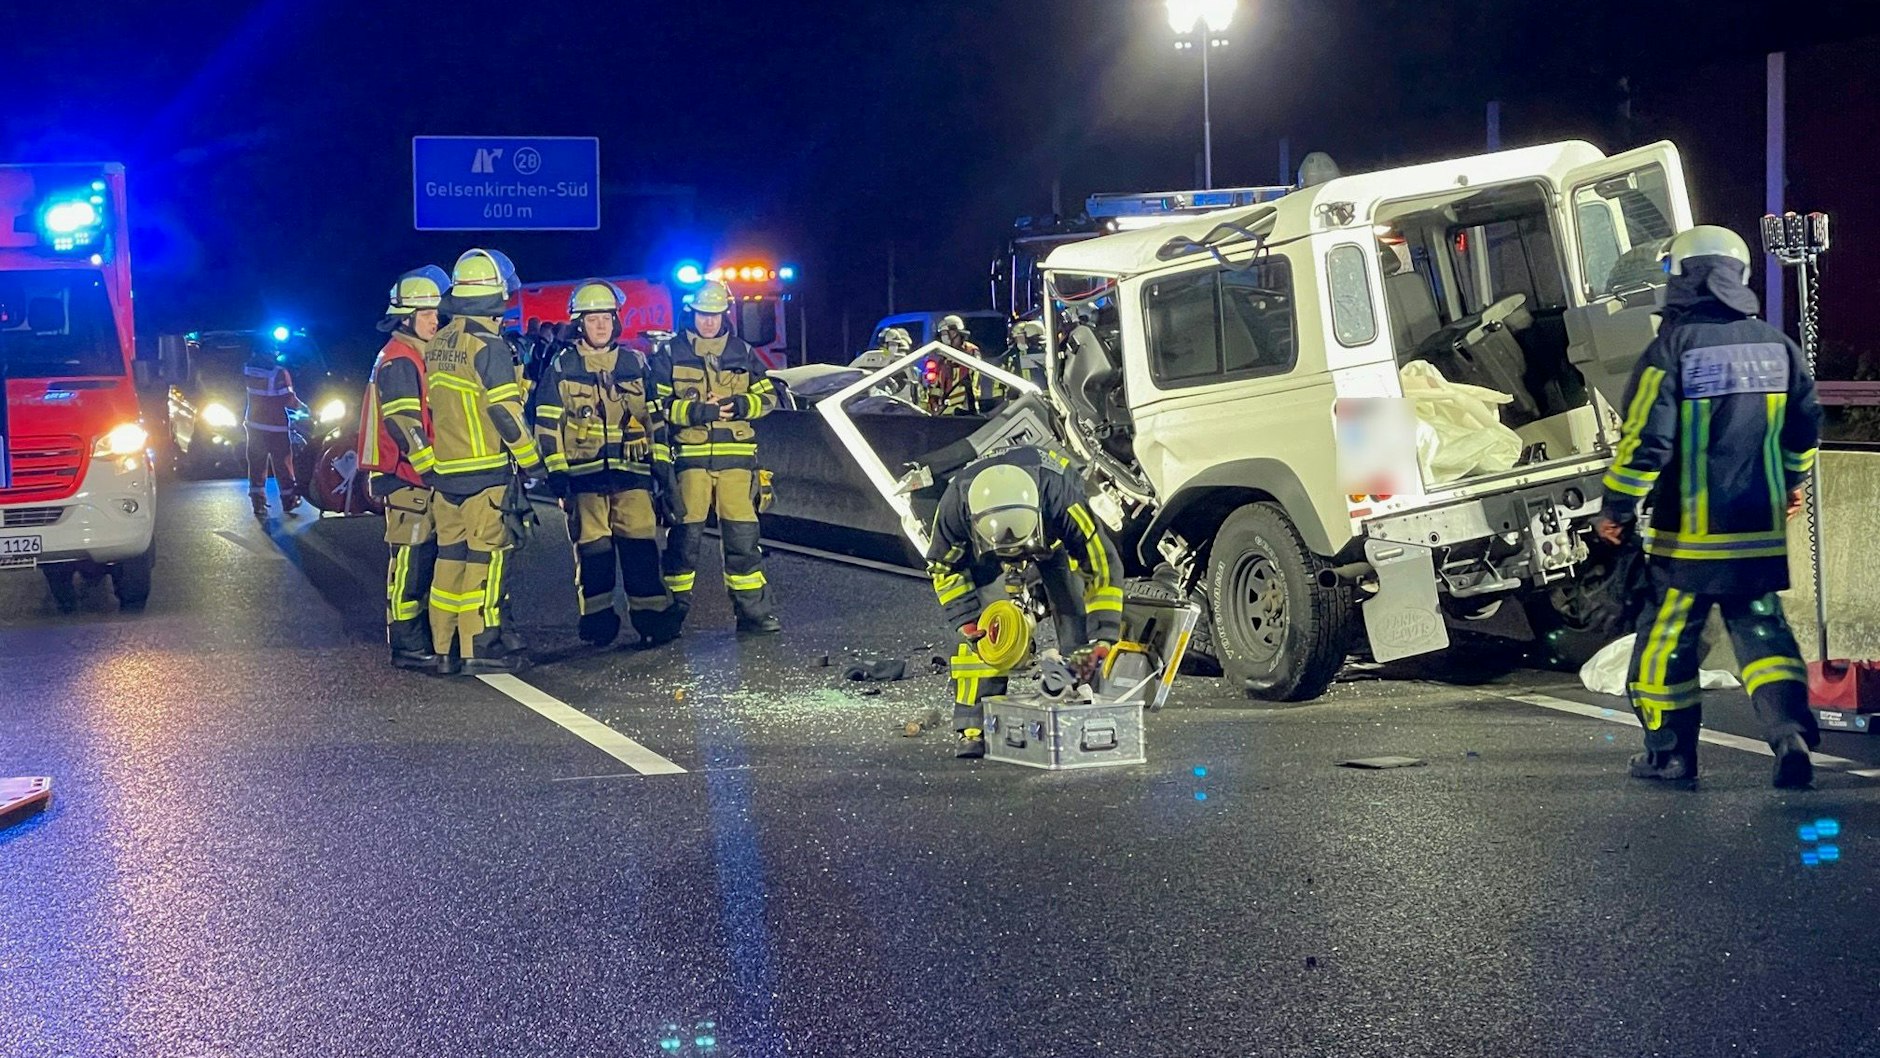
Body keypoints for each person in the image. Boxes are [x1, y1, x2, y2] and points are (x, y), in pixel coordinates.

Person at [1595, 224, 1823, 788]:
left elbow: (1646, 443)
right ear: (1738, 276)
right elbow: (1805, 430)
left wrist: (1617, 509)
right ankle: (1790, 736)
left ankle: (1668, 755)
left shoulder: (1670, 349)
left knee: (1666, 644)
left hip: (1688, 539)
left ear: (1681, 277)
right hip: (1759, 532)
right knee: (1764, 633)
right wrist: (1791, 484)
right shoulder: (1778, 346)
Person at [925, 445, 1125, 758]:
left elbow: (1099, 562)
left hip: (1052, 540)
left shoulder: (1063, 498)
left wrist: (1104, 634)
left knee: (1075, 612)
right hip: (985, 551)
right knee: (986, 633)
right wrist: (967, 622)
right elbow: (943, 566)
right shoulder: (955, 506)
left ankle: (1083, 704)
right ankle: (972, 727)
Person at [531, 280, 681, 648]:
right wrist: (557, 473)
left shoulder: (635, 363)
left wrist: (660, 466)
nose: (600, 326)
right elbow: (547, 424)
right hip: (585, 481)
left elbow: (655, 419)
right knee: (594, 556)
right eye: (593, 319)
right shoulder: (562, 366)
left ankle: (652, 620)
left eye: (606, 318)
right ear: (580, 324)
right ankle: (597, 623)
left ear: (616, 321)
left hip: (633, 478)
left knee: (642, 551)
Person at [423, 248, 543, 675]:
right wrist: (533, 463)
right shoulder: (488, 346)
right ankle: (481, 646)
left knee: (449, 561)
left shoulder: (438, 342)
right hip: (485, 473)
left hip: (446, 476)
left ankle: (443, 649)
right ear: (498, 296)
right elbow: (504, 413)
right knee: (485, 562)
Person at [651, 280, 782, 634]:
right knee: (683, 542)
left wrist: (742, 404)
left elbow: (769, 397)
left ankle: (753, 614)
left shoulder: (743, 352)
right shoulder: (670, 353)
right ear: (691, 313)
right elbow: (657, 406)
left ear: (725, 313)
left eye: (715, 314)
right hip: (691, 460)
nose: (708, 322)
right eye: (702, 315)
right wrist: (697, 412)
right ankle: (672, 614)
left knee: (743, 542)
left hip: (737, 463)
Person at [359, 266, 450, 670]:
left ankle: (418, 635)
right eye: (427, 313)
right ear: (406, 317)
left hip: (413, 476)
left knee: (422, 556)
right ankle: (407, 642)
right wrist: (430, 469)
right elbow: (404, 424)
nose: (436, 319)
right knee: (411, 561)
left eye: (436, 312)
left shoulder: (412, 354)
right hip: (406, 477)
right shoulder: (399, 360)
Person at [242, 335, 309, 518]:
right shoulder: (279, 373)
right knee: (283, 464)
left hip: (254, 425)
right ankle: (289, 500)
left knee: (256, 464)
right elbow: (288, 400)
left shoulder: (248, 368)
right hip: (276, 427)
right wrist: (305, 409)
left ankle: (258, 502)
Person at [922, 315, 993, 416]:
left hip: (966, 408)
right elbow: (938, 384)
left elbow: (974, 379)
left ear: (955, 332)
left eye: (945, 333)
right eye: (942, 334)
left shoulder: (970, 351)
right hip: (945, 410)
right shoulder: (943, 357)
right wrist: (933, 400)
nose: (943, 337)